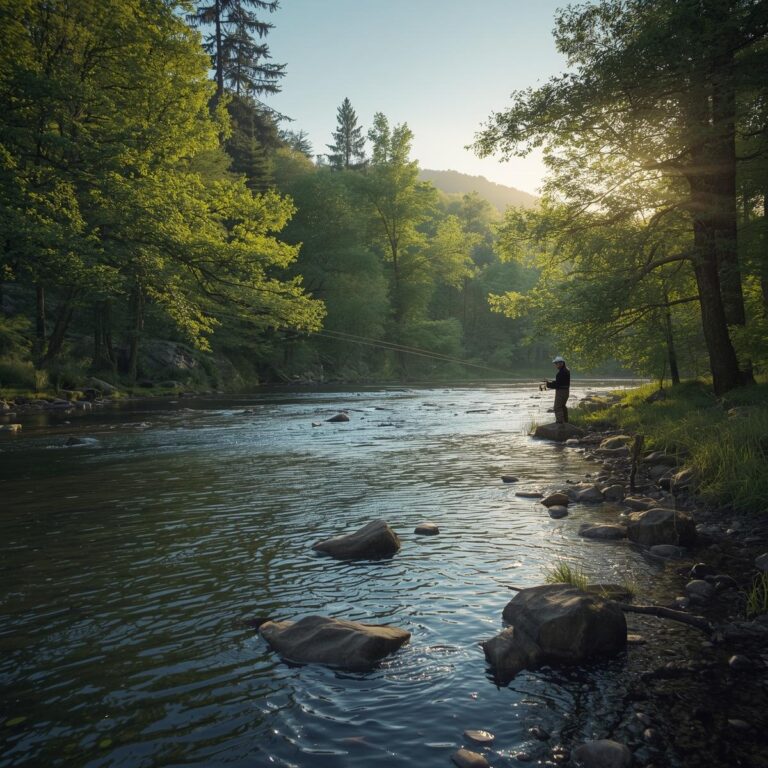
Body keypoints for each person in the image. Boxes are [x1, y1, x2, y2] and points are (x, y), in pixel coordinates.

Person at [539, 355, 570, 424]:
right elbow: (560, 382)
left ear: (561, 363)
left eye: (556, 363)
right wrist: (549, 383)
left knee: (557, 407)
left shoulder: (561, 373)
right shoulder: (566, 370)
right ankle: (565, 421)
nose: (556, 365)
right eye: (555, 363)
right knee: (562, 406)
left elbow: (558, 384)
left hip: (561, 392)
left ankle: (560, 422)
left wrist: (548, 384)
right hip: (566, 391)